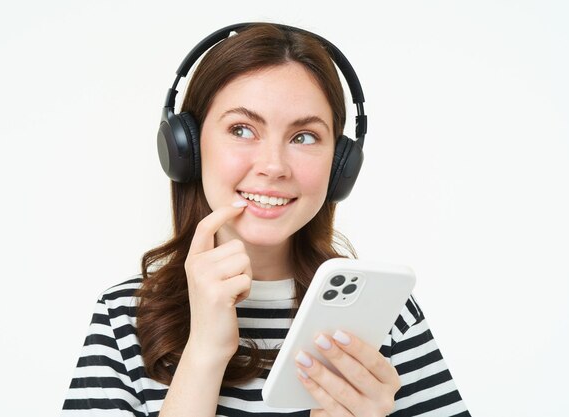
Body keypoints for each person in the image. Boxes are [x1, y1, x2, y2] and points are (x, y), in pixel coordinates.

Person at [62, 23, 470, 417]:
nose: (274, 166)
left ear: (340, 166)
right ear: (187, 147)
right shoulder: (124, 316)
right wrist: (204, 352)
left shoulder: (382, 316)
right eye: (241, 129)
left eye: (304, 137)